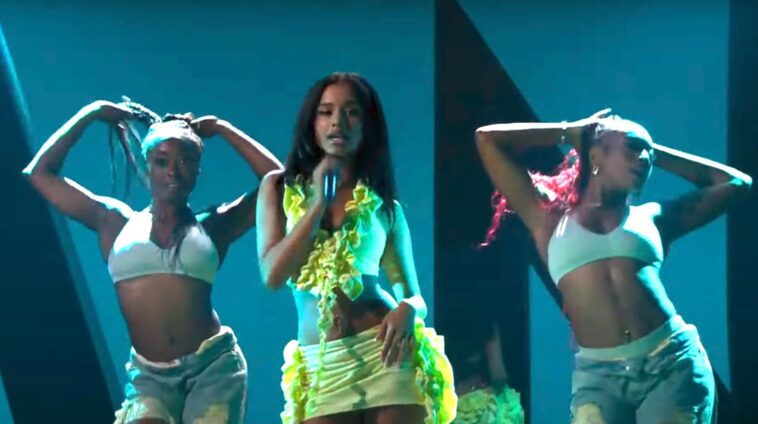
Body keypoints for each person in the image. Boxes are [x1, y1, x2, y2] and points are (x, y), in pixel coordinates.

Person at [474, 109, 752, 423]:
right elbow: (487, 140)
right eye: (633, 147)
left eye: (648, 153)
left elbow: (737, 183)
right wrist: (570, 132)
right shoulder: (548, 217)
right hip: (599, 378)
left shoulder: (654, 217)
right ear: (596, 155)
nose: (644, 158)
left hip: (670, 363)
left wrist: (654, 151)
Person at [23, 98, 283, 423]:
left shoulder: (215, 225)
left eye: (185, 160)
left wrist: (221, 128)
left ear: (197, 170)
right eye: (162, 161)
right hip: (151, 377)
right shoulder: (113, 222)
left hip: (213, 367)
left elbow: (279, 183)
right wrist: (92, 113)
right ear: (148, 165)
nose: (173, 171)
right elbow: (39, 173)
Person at [256, 72, 457, 424]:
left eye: (351, 112)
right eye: (326, 112)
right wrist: (319, 203)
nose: (338, 122)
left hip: (387, 357)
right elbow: (272, 275)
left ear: (367, 125)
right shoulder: (278, 188)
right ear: (312, 122)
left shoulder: (385, 207)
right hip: (324, 367)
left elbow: (414, 296)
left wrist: (409, 309)